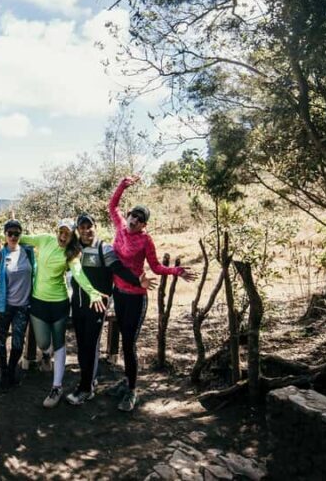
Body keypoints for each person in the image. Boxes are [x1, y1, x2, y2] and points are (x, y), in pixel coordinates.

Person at [109, 175, 196, 412]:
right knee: (124, 340)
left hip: (137, 296)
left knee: (129, 342)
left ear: (144, 224)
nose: (134, 220)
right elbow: (112, 205)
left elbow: (156, 267)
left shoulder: (146, 240)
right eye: (133, 215)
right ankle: (126, 380)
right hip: (119, 293)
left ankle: (132, 390)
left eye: (140, 219)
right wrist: (123, 185)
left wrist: (176, 271)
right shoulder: (119, 226)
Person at [66, 213, 153, 406]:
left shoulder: (103, 248)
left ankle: (85, 389)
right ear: (78, 230)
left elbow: (119, 269)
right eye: (82, 228)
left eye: (90, 227)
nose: (87, 231)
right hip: (77, 306)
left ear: (95, 227)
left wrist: (137, 280)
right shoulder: (74, 249)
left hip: (96, 307)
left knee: (89, 347)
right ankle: (88, 382)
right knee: (82, 347)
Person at [20, 220, 104, 408]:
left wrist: (92, 292)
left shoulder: (71, 253)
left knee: (59, 342)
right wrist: (0, 236)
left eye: (68, 233)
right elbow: (21, 238)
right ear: (57, 231)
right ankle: (46, 354)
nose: (63, 235)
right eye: (61, 231)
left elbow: (78, 273)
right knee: (43, 343)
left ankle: (56, 387)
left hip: (59, 303)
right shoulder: (44, 240)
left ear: (72, 236)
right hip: (38, 301)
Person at [0, 219, 35, 390]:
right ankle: (4, 373)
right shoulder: (0, 255)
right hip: (3, 306)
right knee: (0, 340)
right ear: (5, 235)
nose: (14, 236)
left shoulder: (28, 252)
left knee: (18, 342)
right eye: (10, 233)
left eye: (17, 233)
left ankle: (11, 369)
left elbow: (35, 273)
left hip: (23, 306)